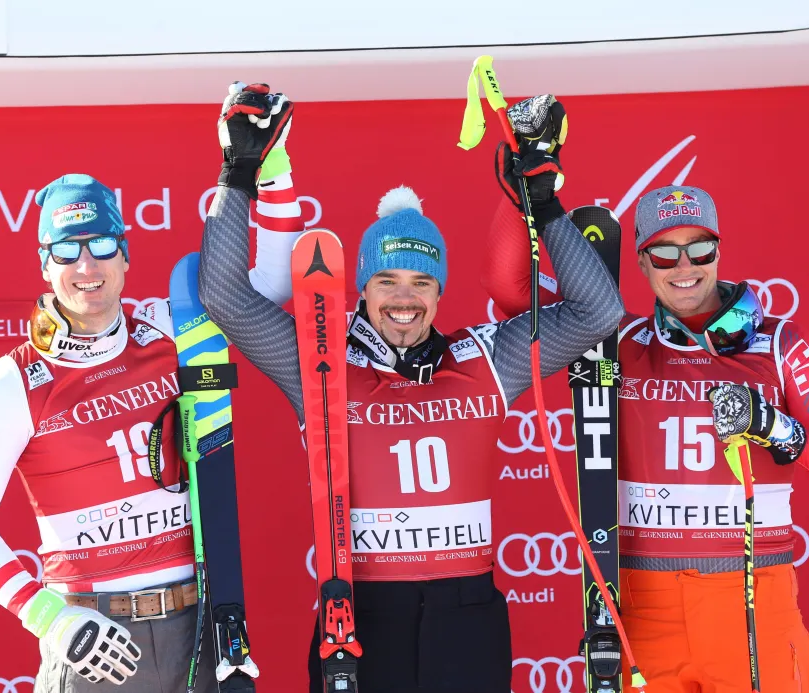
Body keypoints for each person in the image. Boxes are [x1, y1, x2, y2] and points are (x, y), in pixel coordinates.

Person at [196, 85, 623, 693]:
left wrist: (544, 203)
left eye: (422, 281)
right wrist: (238, 170)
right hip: (360, 616)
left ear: (439, 293)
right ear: (362, 287)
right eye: (387, 280)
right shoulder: (320, 361)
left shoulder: (486, 359)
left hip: (468, 619)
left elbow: (597, 312)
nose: (404, 298)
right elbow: (223, 297)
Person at [0, 96, 305, 691]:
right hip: (93, 640)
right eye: (66, 250)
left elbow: (268, 284)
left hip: (199, 624)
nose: (87, 265)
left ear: (126, 254)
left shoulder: (173, 327)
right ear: (44, 266)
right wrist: (50, 619)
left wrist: (273, 168)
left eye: (102, 244)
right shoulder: (10, 382)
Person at [483, 184, 809, 692]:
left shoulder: (780, 343)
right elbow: (509, 284)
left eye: (700, 249)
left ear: (719, 252)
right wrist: (526, 183)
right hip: (644, 609)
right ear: (644, 264)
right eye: (665, 253)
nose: (684, 266)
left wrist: (773, 426)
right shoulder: (616, 339)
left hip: (751, 603)